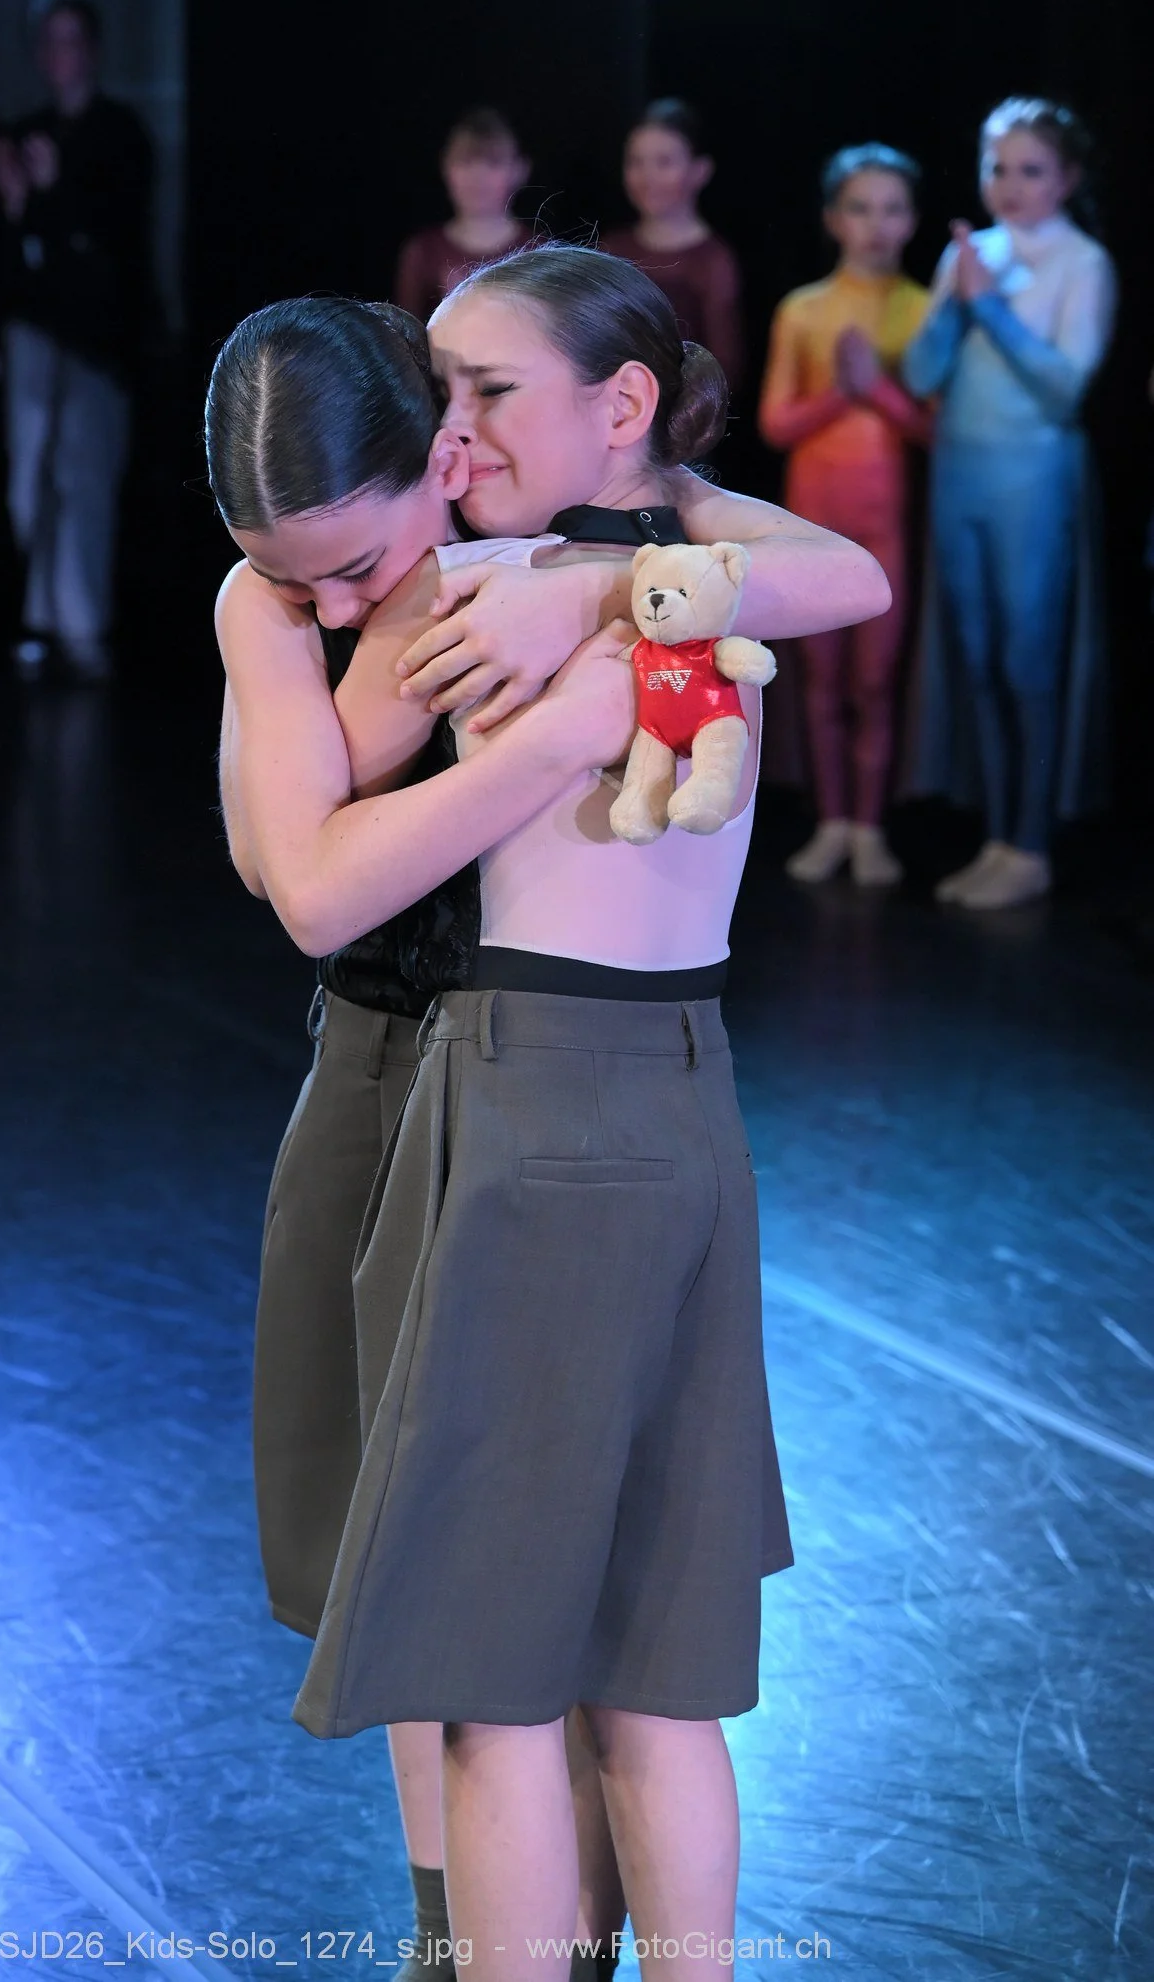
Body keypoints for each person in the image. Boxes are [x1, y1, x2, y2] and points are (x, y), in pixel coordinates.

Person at [211, 249, 890, 1975]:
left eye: (485, 395)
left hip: (523, 1082)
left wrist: (594, 607)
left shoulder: (551, 564)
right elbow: (289, 867)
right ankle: (471, 1933)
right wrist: (585, 645)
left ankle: (535, 1939)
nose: (456, 429)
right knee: (457, 1581)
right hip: (436, 1057)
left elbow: (842, 573)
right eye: (441, 394)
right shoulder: (507, 582)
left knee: (510, 1633)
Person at [902, 98, 1115, 910]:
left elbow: (1064, 388)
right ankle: (997, 839)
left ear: (1067, 178)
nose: (1012, 184)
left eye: (1031, 169)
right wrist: (960, 302)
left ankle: (1031, 843)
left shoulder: (1082, 262)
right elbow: (922, 374)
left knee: (1028, 659)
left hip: (1034, 478)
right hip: (962, 475)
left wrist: (988, 305)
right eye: (998, 167)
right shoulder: (970, 254)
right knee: (979, 656)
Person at [758, 144, 932, 886]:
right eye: (860, 208)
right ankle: (831, 823)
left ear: (912, 220)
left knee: (875, 682)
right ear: (833, 218)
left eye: (892, 209)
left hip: (885, 523)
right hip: (813, 525)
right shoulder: (803, 309)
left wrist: (877, 389)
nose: (876, 224)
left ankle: (870, 828)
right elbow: (776, 423)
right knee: (820, 681)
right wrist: (842, 391)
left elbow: (932, 427)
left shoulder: (924, 308)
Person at [0, 0, 155, 682]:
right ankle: (37, 616)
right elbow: (11, 249)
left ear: (91, 50)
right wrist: (16, 201)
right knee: (28, 476)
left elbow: (116, 240)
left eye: (70, 41)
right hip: (36, 326)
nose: (58, 56)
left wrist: (53, 191)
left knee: (82, 474)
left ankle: (81, 622)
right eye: (48, 42)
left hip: (95, 336)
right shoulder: (24, 133)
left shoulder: (119, 135)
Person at [600, 100, 746, 397]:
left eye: (664, 162)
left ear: (700, 170)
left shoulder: (712, 260)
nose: (648, 176)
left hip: (683, 411)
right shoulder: (611, 248)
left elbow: (724, 368)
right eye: (636, 162)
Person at [393, 109, 531, 324]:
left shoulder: (538, 250)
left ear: (519, 170)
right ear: (446, 166)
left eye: (493, 162)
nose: (478, 175)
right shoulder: (422, 251)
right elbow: (405, 333)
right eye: (465, 161)